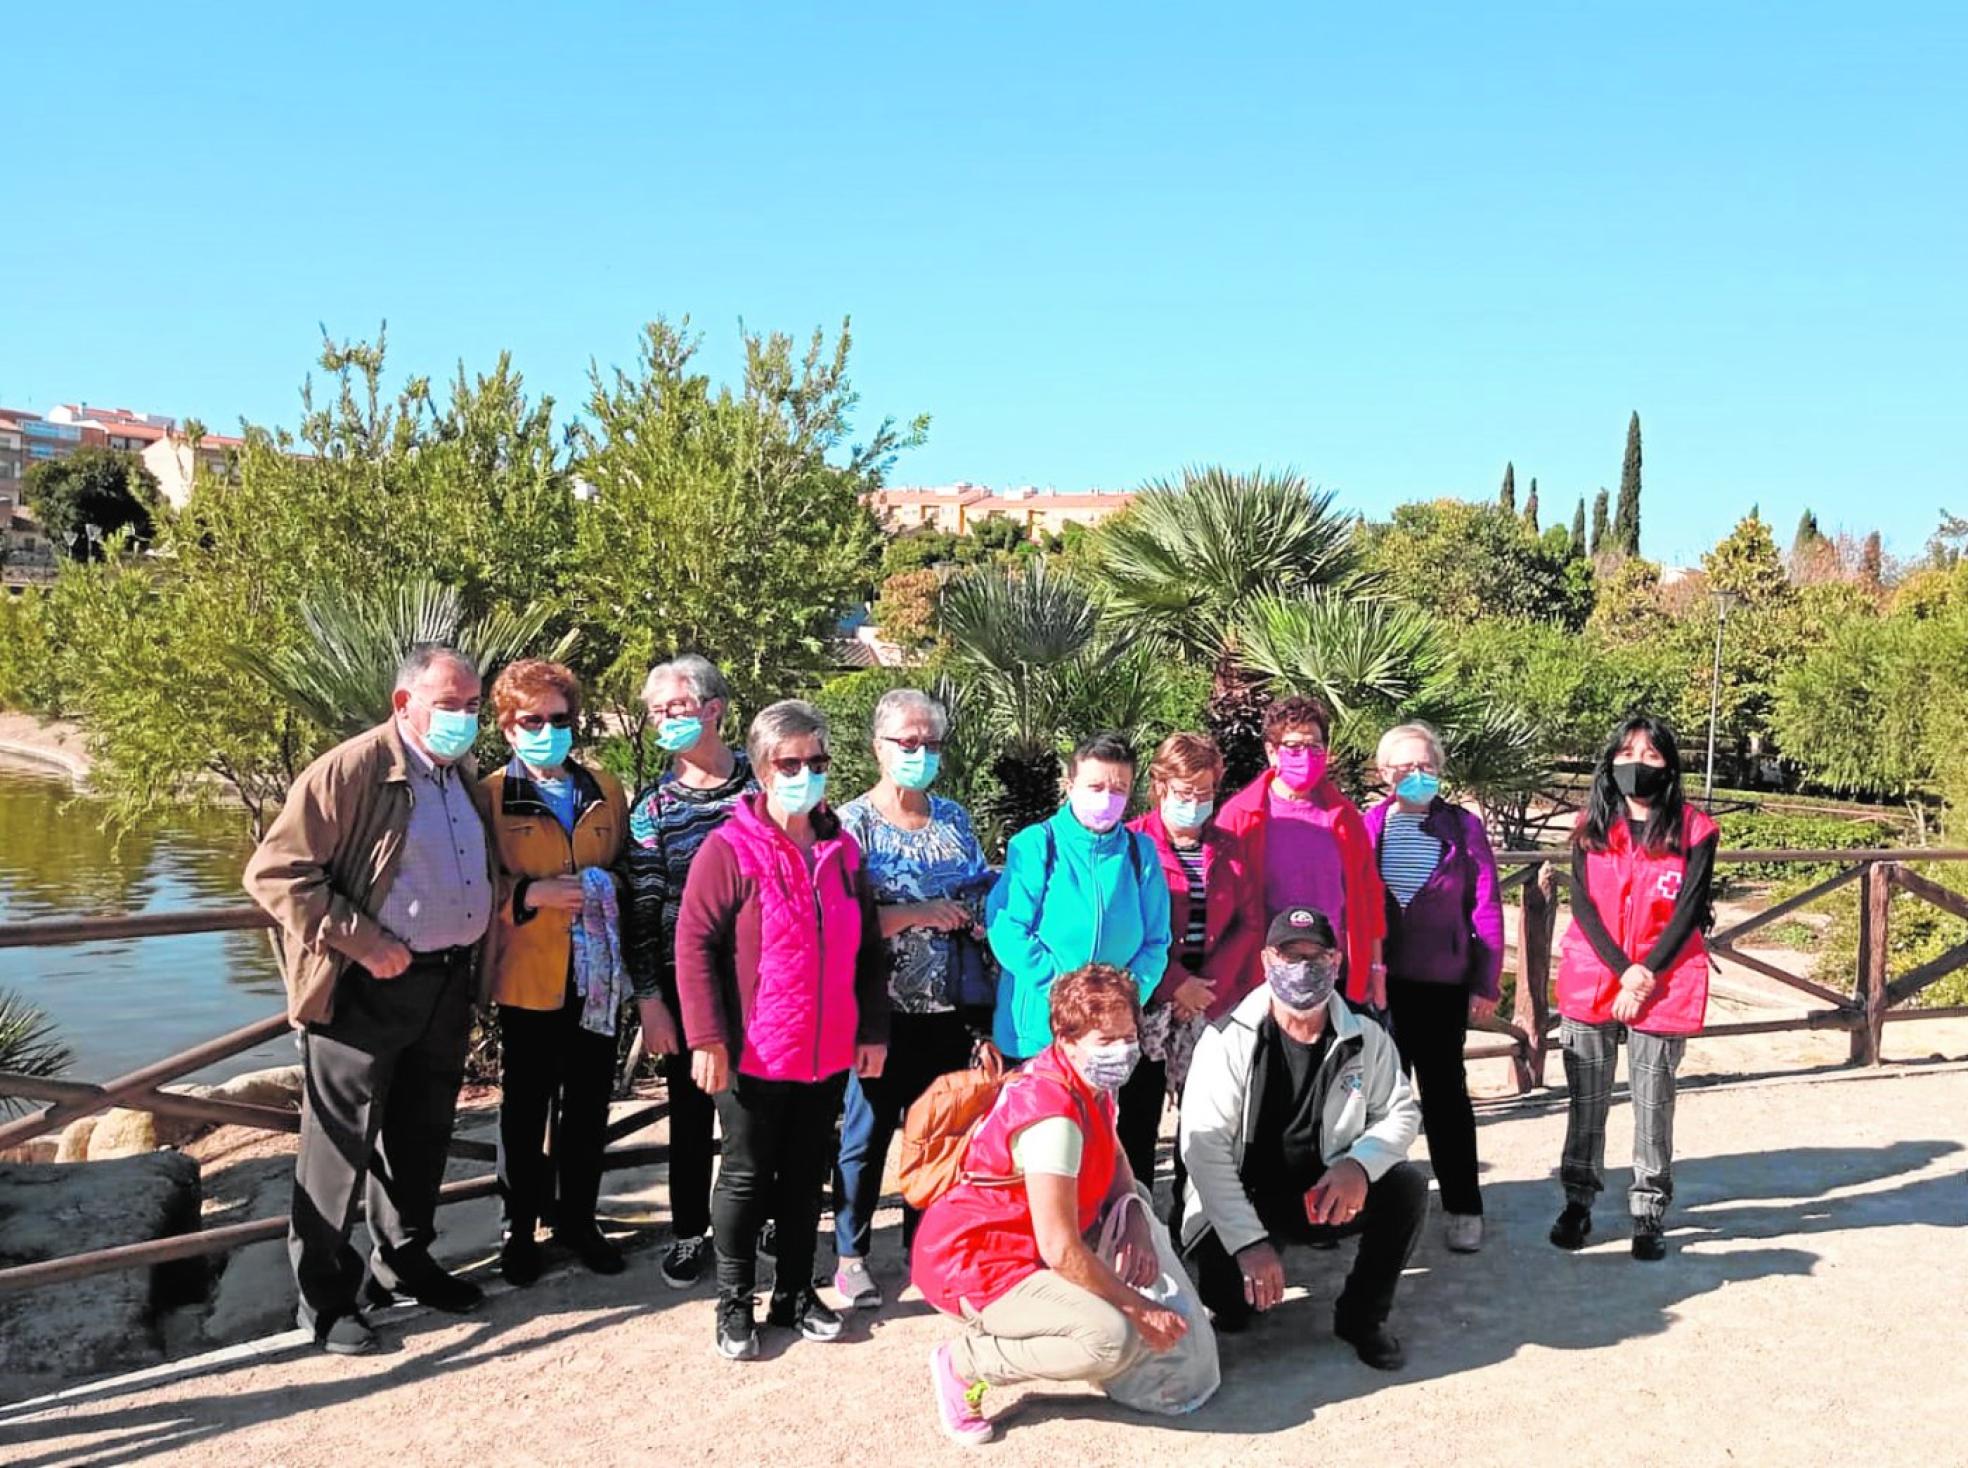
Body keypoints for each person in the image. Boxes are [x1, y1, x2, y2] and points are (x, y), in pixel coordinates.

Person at [243, 644, 499, 1356]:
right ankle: (324, 1300)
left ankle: (404, 1260)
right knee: (338, 1146)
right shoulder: (351, 770)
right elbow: (275, 873)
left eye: (473, 705)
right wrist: (361, 941)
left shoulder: (457, 774)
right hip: (364, 987)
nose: (463, 718)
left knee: (422, 1133)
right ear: (403, 704)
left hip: (444, 983)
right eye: (449, 704)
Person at [675, 699, 891, 1360]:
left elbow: (869, 949)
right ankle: (735, 1301)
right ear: (763, 769)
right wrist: (707, 1039)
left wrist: (871, 1030)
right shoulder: (728, 848)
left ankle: (795, 1293)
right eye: (790, 763)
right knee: (746, 1176)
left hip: (825, 1049)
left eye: (816, 762)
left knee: (803, 1177)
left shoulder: (841, 850)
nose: (805, 774)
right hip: (752, 1052)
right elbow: (694, 945)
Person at [912, 963, 1186, 1448]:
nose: (1122, 1051)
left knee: (1138, 1203)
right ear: (1067, 1040)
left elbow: (1116, 1158)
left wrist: (1134, 1217)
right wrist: (1140, 1308)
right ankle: (965, 1363)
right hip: (979, 1264)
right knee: (1110, 1339)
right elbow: (1060, 1248)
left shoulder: (1085, 1082)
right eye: (1106, 1041)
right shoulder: (1053, 1114)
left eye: (1128, 1037)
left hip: (1019, 1246)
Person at [1177, 908, 1425, 1370]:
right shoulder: (1226, 1039)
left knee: (1407, 1187)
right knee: (1233, 1311)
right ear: (1267, 960)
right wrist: (1248, 1242)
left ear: (1336, 960)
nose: (1303, 968)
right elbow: (1204, 1152)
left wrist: (1359, 1165)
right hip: (1245, 1198)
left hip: (1324, 1190)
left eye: (1316, 956)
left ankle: (1362, 1319)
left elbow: (1401, 1111)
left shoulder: (1366, 1034)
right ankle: (1243, 1275)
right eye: (1290, 956)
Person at [831, 689, 1000, 1310]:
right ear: (878, 746)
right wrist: (916, 913)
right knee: (865, 1135)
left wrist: (979, 914)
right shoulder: (849, 825)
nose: (920, 753)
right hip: (880, 1012)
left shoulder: (954, 819)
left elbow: (979, 887)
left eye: (931, 743)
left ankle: (926, 1251)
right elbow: (838, 919)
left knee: (939, 1135)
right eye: (908, 742)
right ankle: (850, 1257)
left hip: (951, 1008)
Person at [482, 659, 635, 1286]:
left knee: (590, 1105)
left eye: (559, 718)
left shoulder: (605, 787)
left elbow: (629, 865)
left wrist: (608, 886)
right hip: (528, 976)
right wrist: (528, 894)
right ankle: (519, 1228)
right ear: (507, 726)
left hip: (595, 979)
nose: (547, 730)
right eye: (532, 720)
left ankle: (579, 1220)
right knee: (524, 1109)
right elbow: (472, 883)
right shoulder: (489, 796)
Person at [1551, 714, 1718, 1262]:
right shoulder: (1591, 826)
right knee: (1587, 1100)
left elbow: (1690, 908)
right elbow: (1583, 904)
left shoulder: (1695, 829)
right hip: (1596, 971)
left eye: (1649, 755)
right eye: (1626, 754)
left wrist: (1644, 975)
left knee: (1653, 1102)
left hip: (1665, 977)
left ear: (1668, 764)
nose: (1636, 765)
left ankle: (1649, 1209)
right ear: (1610, 762)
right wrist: (1623, 969)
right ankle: (1578, 1200)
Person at [622, 654, 754, 1291]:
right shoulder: (652, 806)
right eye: (656, 712)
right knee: (691, 1110)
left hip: (761, 981)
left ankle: (761, 1220)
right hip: (684, 982)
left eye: (675, 707)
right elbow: (643, 909)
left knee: (757, 1108)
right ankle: (688, 1231)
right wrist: (649, 998)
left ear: (713, 709)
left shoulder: (764, 786)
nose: (665, 720)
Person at [1364, 721, 1504, 1254]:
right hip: (1382, 984)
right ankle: (1378, 1203)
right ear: (1385, 773)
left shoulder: (1462, 827)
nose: (1416, 774)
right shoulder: (1369, 824)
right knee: (1380, 1098)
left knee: (1445, 1097)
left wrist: (1485, 980)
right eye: (1404, 766)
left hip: (1442, 983)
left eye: (1426, 765)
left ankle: (1463, 1205)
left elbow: (1486, 905)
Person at [986, 732, 1171, 1063]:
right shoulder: (1035, 845)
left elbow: (1156, 942)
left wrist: (1121, 1001)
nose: (1107, 798)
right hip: (1037, 1036)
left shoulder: (1140, 853)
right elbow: (1008, 930)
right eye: (1095, 787)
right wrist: (1065, 993)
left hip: (1108, 1036)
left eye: (1119, 789)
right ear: (1070, 786)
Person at [1212, 695, 1388, 1017]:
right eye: (1293, 747)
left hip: (1333, 975)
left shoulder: (1345, 817)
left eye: (1314, 747)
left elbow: (1369, 897)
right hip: (1263, 977)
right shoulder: (1239, 816)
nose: (1305, 756)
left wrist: (1375, 969)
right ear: (1271, 751)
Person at [1120, 732, 1236, 1194]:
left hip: (1208, 1000)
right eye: (1185, 792)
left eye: (1205, 793)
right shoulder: (1132, 844)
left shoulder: (1230, 847)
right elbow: (1126, 927)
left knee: (1205, 1120)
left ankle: (1193, 1213)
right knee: (1137, 1118)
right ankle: (1137, 1210)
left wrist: (1205, 989)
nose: (1195, 803)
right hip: (1147, 1000)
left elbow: (1248, 924)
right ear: (1161, 786)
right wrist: (1175, 985)